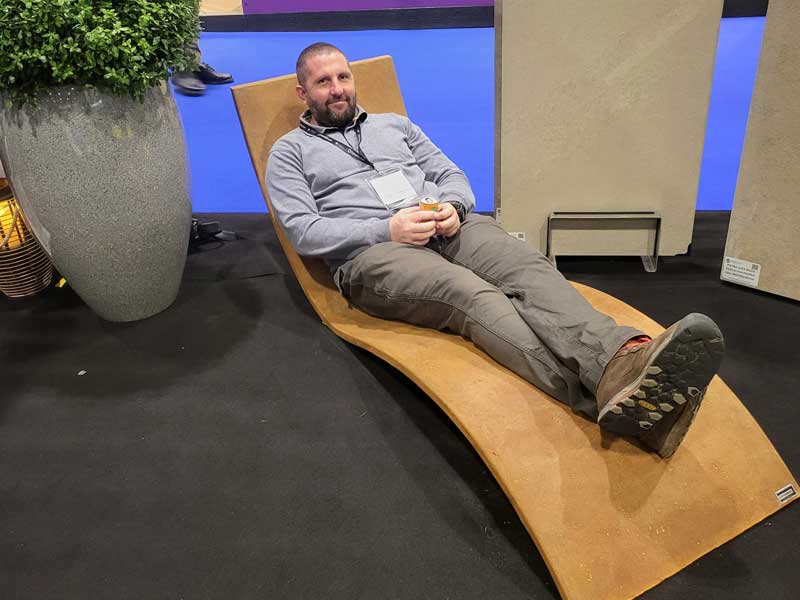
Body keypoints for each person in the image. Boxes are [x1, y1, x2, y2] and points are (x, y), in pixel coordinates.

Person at [266, 43, 725, 458]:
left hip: (446, 226)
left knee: (526, 266)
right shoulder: (290, 153)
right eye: (323, 82)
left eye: (343, 77)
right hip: (373, 257)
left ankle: (620, 359)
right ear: (303, 92)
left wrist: (454, 206)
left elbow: (452, 174)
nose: (337, 89)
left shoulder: (395, 126)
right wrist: (384, 228)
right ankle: (607, 400)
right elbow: (304, 232)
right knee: (472, 295)